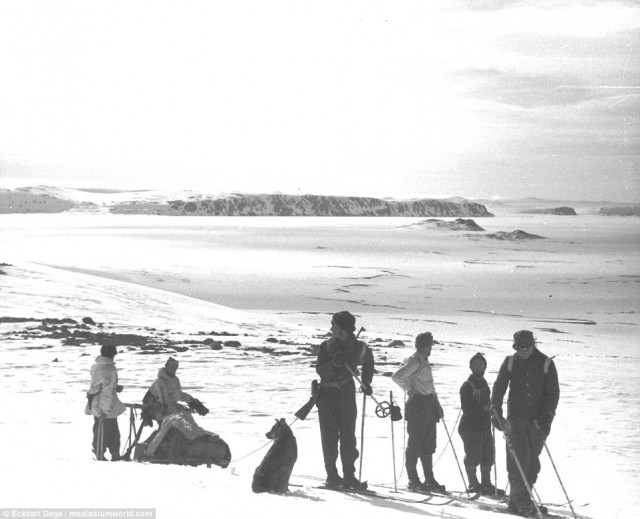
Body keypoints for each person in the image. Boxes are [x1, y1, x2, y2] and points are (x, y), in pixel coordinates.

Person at [491, 330, 560, 516]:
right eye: (517, 347)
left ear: (533, 345)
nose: (521, 351)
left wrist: (545, 420)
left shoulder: (546, 363)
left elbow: (553, 395)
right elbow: (499, 387)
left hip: (537, 423)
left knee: (532, 464)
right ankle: (519, 501)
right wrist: (496, 411)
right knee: (517, 462)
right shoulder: (510, 362)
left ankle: (521, 498)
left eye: (525, 347)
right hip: (515, 421)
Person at [316, 311, 374, 490]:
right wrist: (333, 364)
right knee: (329, 436)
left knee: (348, 436)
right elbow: (320, 370)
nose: (331, 327)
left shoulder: (359, 347)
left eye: (333, 324)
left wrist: (366, 381)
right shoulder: (326, 346)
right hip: (327, 394)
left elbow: (369, 362)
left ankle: (349, 476)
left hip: (347, 393)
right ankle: (332, 476)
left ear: (342, 329)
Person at [392, 332, 446, 492]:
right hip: (418, 405)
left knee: (428, 443)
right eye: (429, 345)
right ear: (426, 346)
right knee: (416, 443)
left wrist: (436, 403)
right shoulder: (415, 361)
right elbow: (397, 377)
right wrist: (410, 390)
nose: (430, 349)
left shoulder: (423, 361)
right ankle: (413, 479)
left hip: (428, 404)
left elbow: (429, 385)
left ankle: (429, 479)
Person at [458, 352, 497, 495]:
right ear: (470, 367)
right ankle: (473, 484)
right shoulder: (467, 386)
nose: (479, 367)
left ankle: (486, 484)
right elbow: (466, 408)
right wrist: (484, 408)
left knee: (488, 456)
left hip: (484, 427)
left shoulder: (484, 383)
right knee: (473, 457)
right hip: (470, 427)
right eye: (476, 365)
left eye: (481, 364)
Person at [85, 344, 126, 461]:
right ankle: (104, 454)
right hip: (105, 406)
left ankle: (103, 453)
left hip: (95, 402)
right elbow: (106, 391)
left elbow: (100, 385)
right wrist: (105, 410)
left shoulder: (96, 366)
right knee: (108, 431)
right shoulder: (109, 368)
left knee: (100, 428)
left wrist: (115, 387)